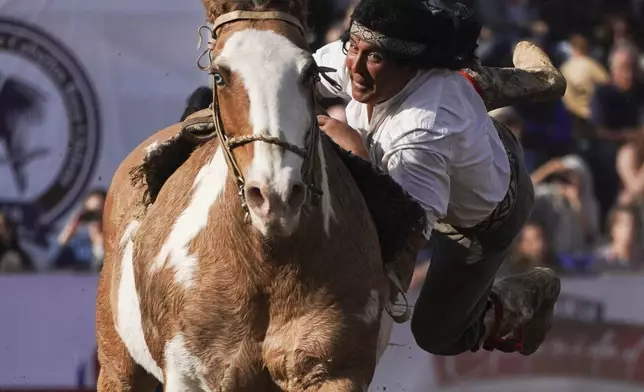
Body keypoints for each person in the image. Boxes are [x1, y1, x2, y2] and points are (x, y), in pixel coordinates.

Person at [312, 0, 562, 356]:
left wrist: (357, 154)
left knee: (438, 334)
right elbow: (293, 74)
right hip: (469, 137)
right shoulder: (359, 56)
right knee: (462, 83)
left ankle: (532, 293)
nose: (356, 67)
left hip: (482, 221)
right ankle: (544, 81)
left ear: (410, 65)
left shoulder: (421, 135)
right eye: (353, 48)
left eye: (375, 58)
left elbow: (404, 236)